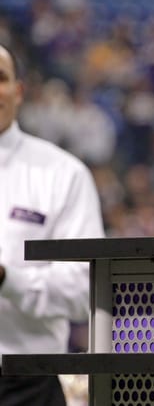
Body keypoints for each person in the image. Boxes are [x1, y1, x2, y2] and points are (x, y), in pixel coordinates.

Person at [0, 43, 104, 405]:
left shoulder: (62, 174)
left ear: (18, 91)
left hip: (25, 383)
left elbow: (85, 287)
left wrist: (8, 280)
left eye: (0, 78)